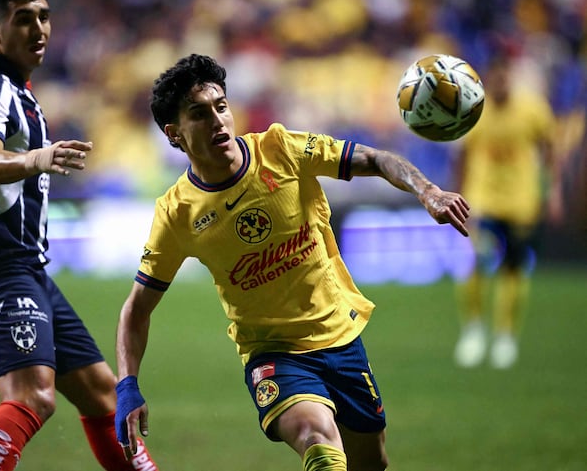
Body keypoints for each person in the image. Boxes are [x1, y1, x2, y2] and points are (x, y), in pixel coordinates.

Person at [114, 54, 470, 471]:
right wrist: (127, 385)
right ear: (175, 134)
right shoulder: (177, 213)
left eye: (221, 107)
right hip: (274, 355)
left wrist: (427, 191)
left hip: (341, 338)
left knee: (370, 463)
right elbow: (137, 308)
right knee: (317, 437)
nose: (217, 121)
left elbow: (374, 159)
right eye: (199, 113)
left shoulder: (281, 148)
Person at [0, 0, 158, 471]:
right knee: (35, 396)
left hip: (26, 269)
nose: (39, 29)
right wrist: (40, 158)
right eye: (24, 19)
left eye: (44, 17)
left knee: (106, 394)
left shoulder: (19, 89)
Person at [452, 52, 561, 369]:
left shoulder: (533, 109)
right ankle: (473, 331)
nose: (499, 83)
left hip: (520, 201)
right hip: (483, 201)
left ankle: (505, 336)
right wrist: (457, 195)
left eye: (503, 76)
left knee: (513, 268)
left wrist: (551, 189)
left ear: (509, 76)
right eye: (494, 77)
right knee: (476, 263)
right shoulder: (475, 111)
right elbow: (461, 155)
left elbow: (549, 146)